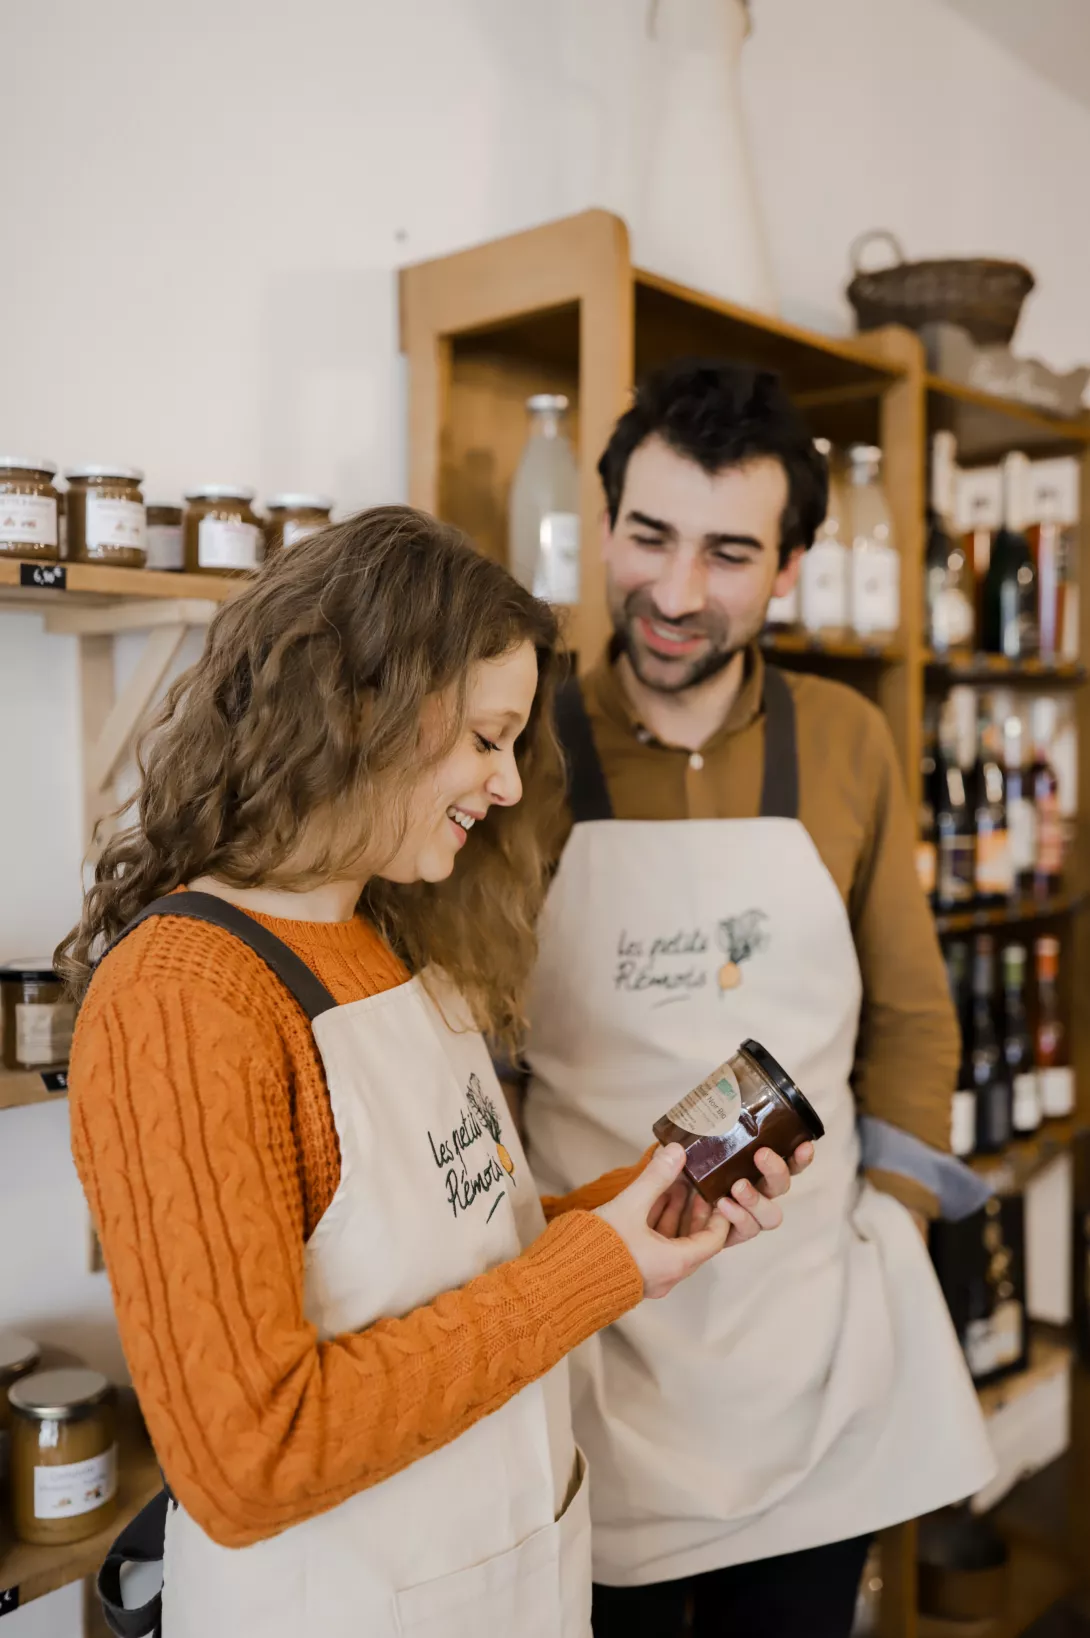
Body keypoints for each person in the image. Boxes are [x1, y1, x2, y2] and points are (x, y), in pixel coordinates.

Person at [61, 506, 807, 1638]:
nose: (507, 786)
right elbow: (248, 1461)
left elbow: (458, 1256)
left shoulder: (388, 939)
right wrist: (595, 1268)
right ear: (358, 710)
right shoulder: (184, 998)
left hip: (505, 1581)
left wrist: (641, 1212)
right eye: (486, 738)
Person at [519, 362, 996, 1638]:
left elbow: (911, 1018)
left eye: (729, 553)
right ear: (604, 522)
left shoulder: (847, 739)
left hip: (806, 1357)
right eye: (648, 537)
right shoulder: (517, 744)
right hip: (595, 1341)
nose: (675, 596)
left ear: (788, 567)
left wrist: (886, 1226)